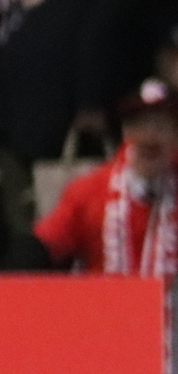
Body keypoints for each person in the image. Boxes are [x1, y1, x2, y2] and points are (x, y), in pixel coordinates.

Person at [33, 79, 178, 277]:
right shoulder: (91, 189)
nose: (149, 137)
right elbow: (47, 242)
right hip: (104, 305)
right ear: (125, 133)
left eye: (160, 126)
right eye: (140, 126)